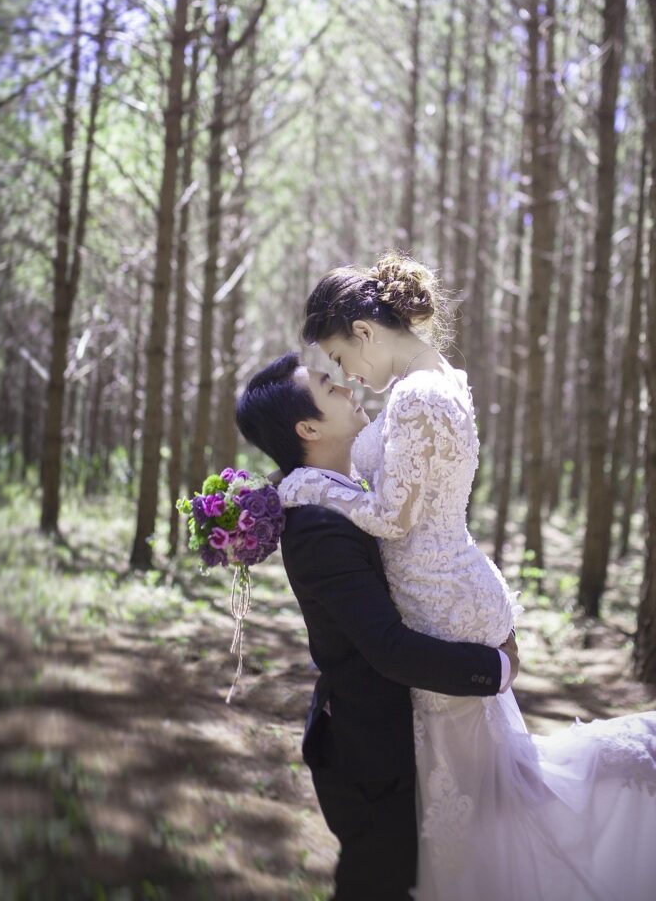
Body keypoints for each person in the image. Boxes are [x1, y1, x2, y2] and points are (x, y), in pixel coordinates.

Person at [278, 251, 656, 901]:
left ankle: (642, 770)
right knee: (473, 788)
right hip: (450, 584)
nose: (347, 373)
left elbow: (392, 516)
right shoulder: (437, 381)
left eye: (342, 357)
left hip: (440, 597)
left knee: (475, 795)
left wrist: (311, 486)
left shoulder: (417, 398)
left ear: (366, 334)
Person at [235, 351, 519, 901]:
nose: (346, 386)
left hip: (409, 734)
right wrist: (497, 668)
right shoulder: (316, 525)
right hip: (369, 751)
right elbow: (386, 648)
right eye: (327, 386)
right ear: (308, 427)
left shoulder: (347, 493)